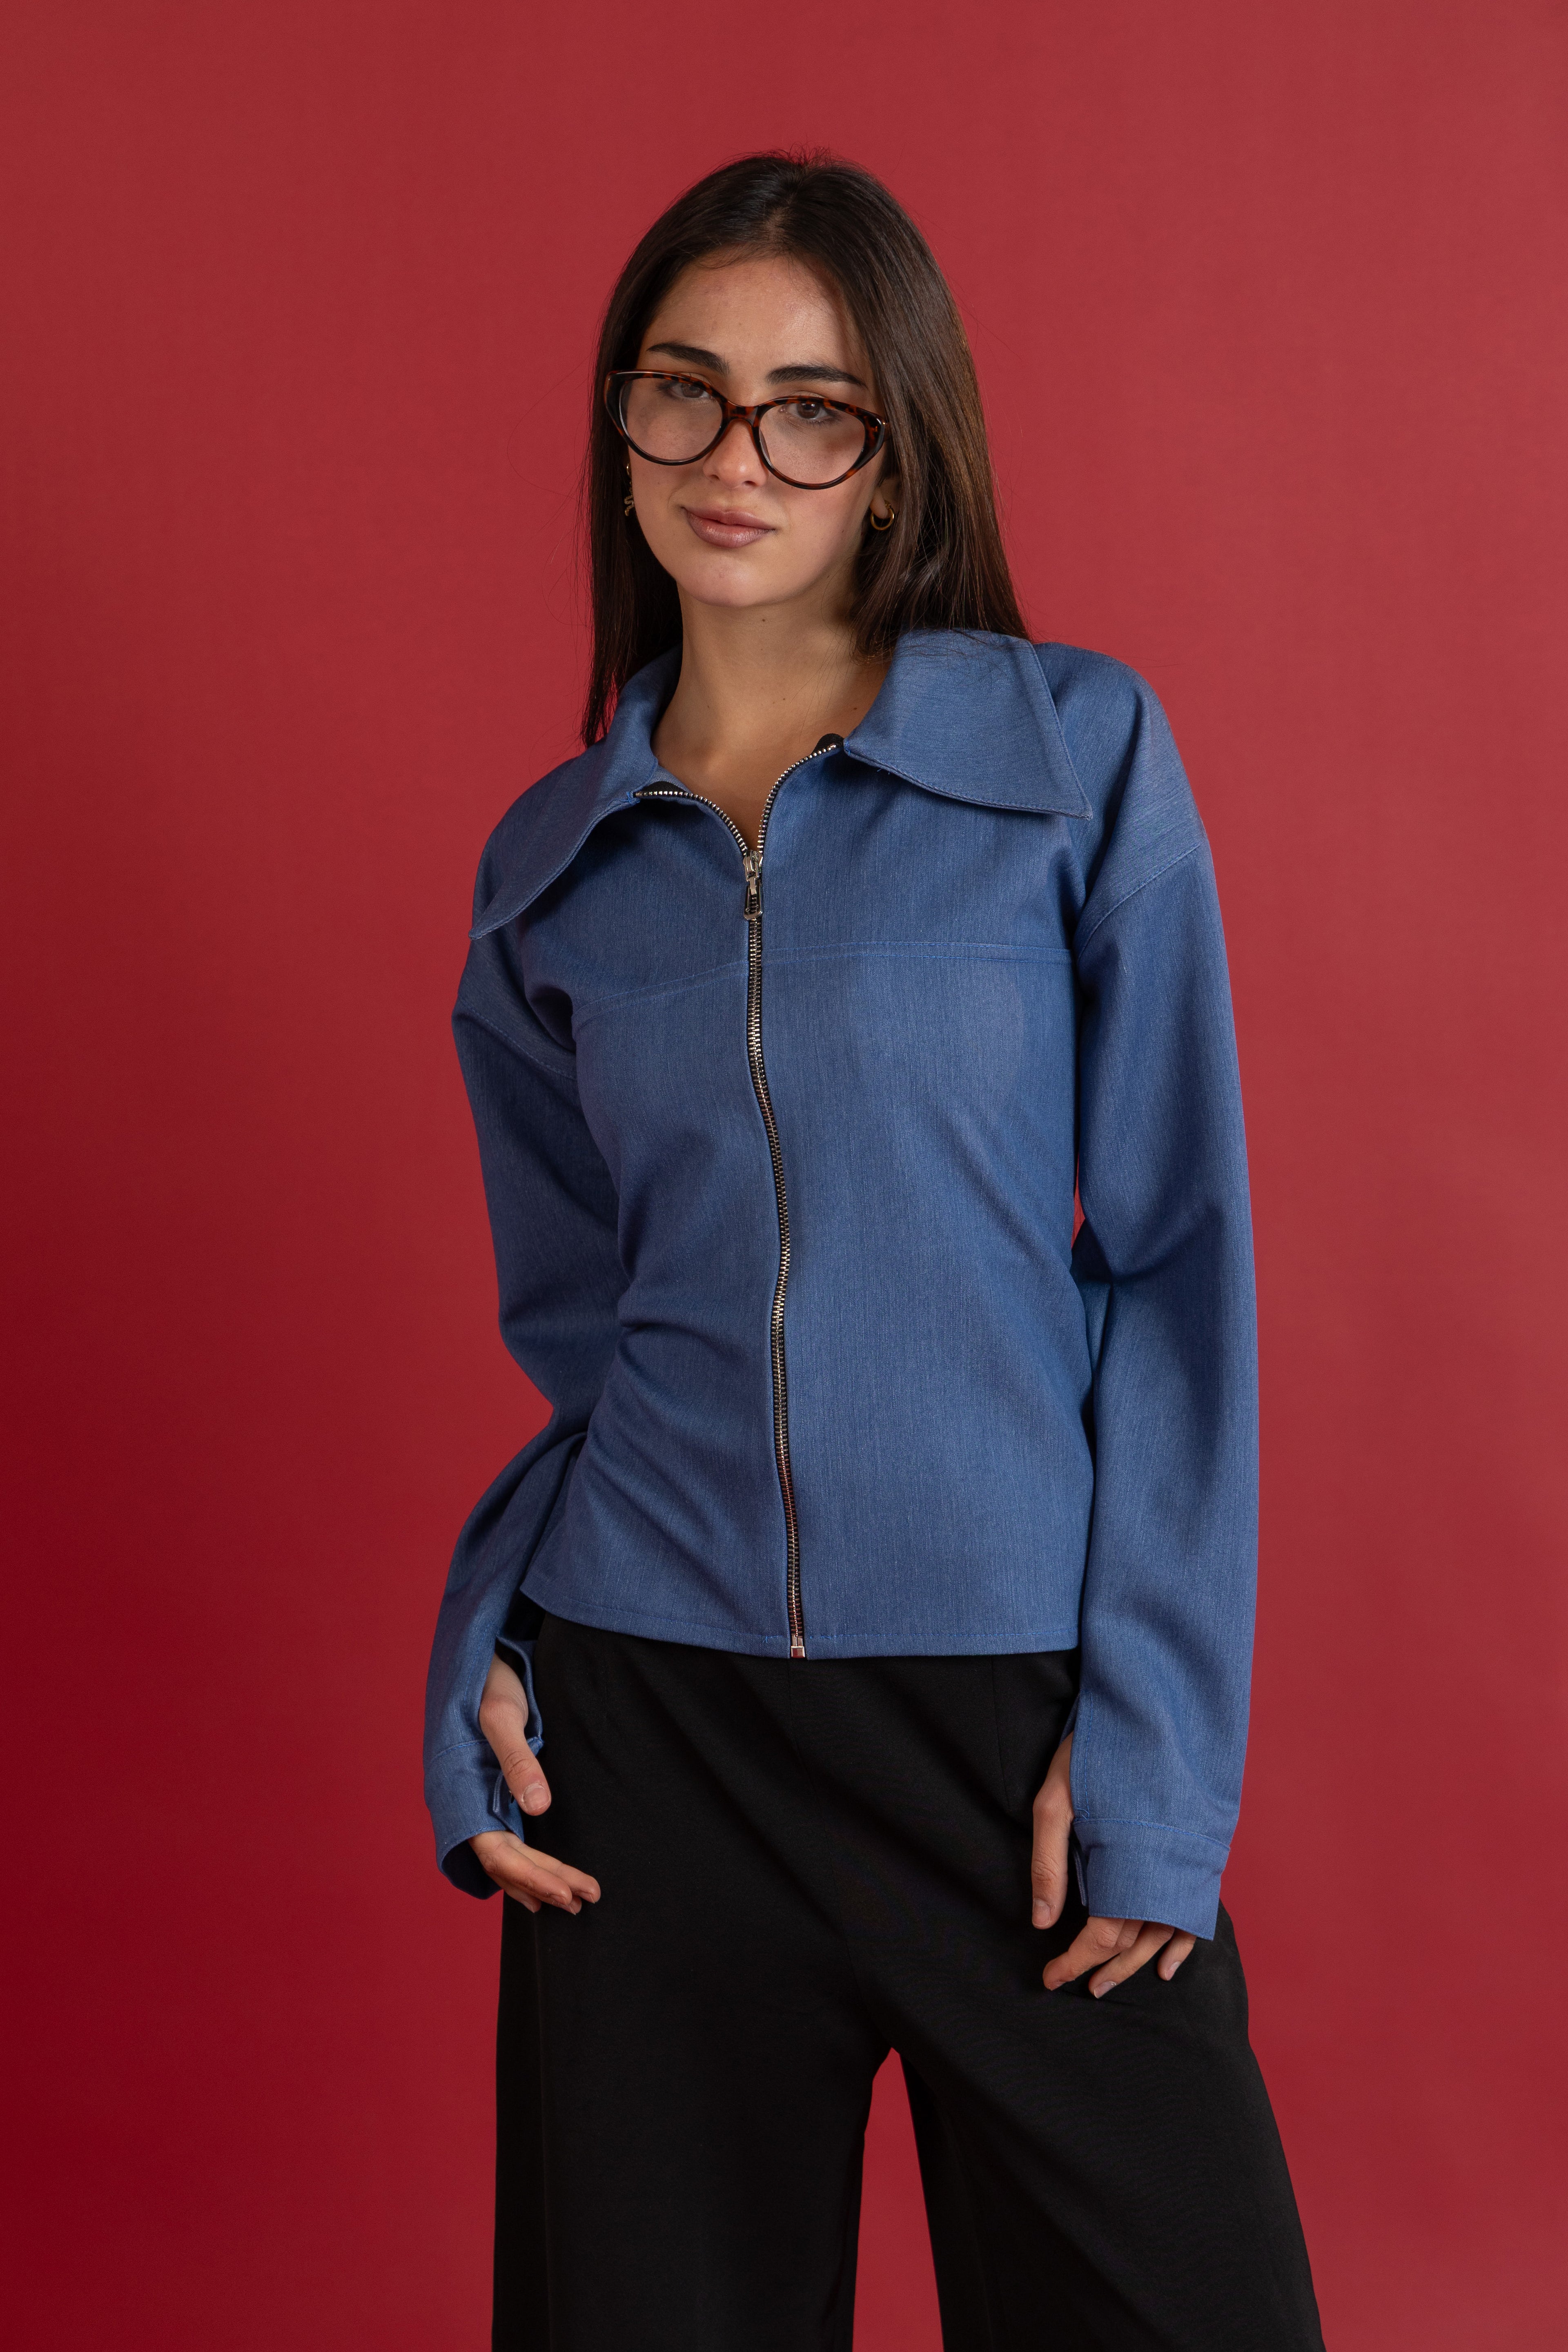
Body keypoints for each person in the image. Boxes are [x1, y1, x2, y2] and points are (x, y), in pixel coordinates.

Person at [424, 150, 1324, 2352]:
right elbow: (589, 1340)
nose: (739, 460)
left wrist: (1157, 1761)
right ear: (620, 422)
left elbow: (1186, 1267)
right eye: (687, 394)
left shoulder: (1071, 759)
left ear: (897, 448)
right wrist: (484, 1652)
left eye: (811, 407)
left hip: (1014, 1742)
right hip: (658, 1749)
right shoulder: (551, 867)